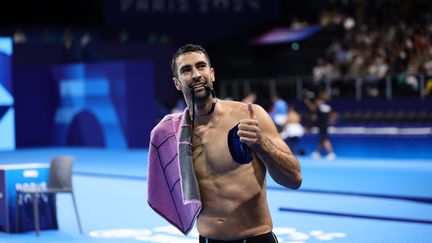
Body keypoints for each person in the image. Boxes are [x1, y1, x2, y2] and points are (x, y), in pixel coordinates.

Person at [148, 44, 302, 242]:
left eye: (201, 66)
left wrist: (261, 144)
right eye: (186, 70)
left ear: (212, 73)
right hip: (208, 239)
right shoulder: (170, 135)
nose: (196, 74)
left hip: (255, 238)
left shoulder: (251, 115)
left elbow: (294, 179)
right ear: (177, 83)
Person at [303, 91, 336, 160]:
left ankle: (331, 153)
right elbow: (333, 114)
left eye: (318, 101)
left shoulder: (320, 107)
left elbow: (312, 109)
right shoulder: (327, 107)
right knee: (321, 140)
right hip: (324, 126)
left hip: (323, 126)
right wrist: (332, 120)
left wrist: (307, 102)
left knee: (324, 140)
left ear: (321, 101)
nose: (317, 102)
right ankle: (318, 153)